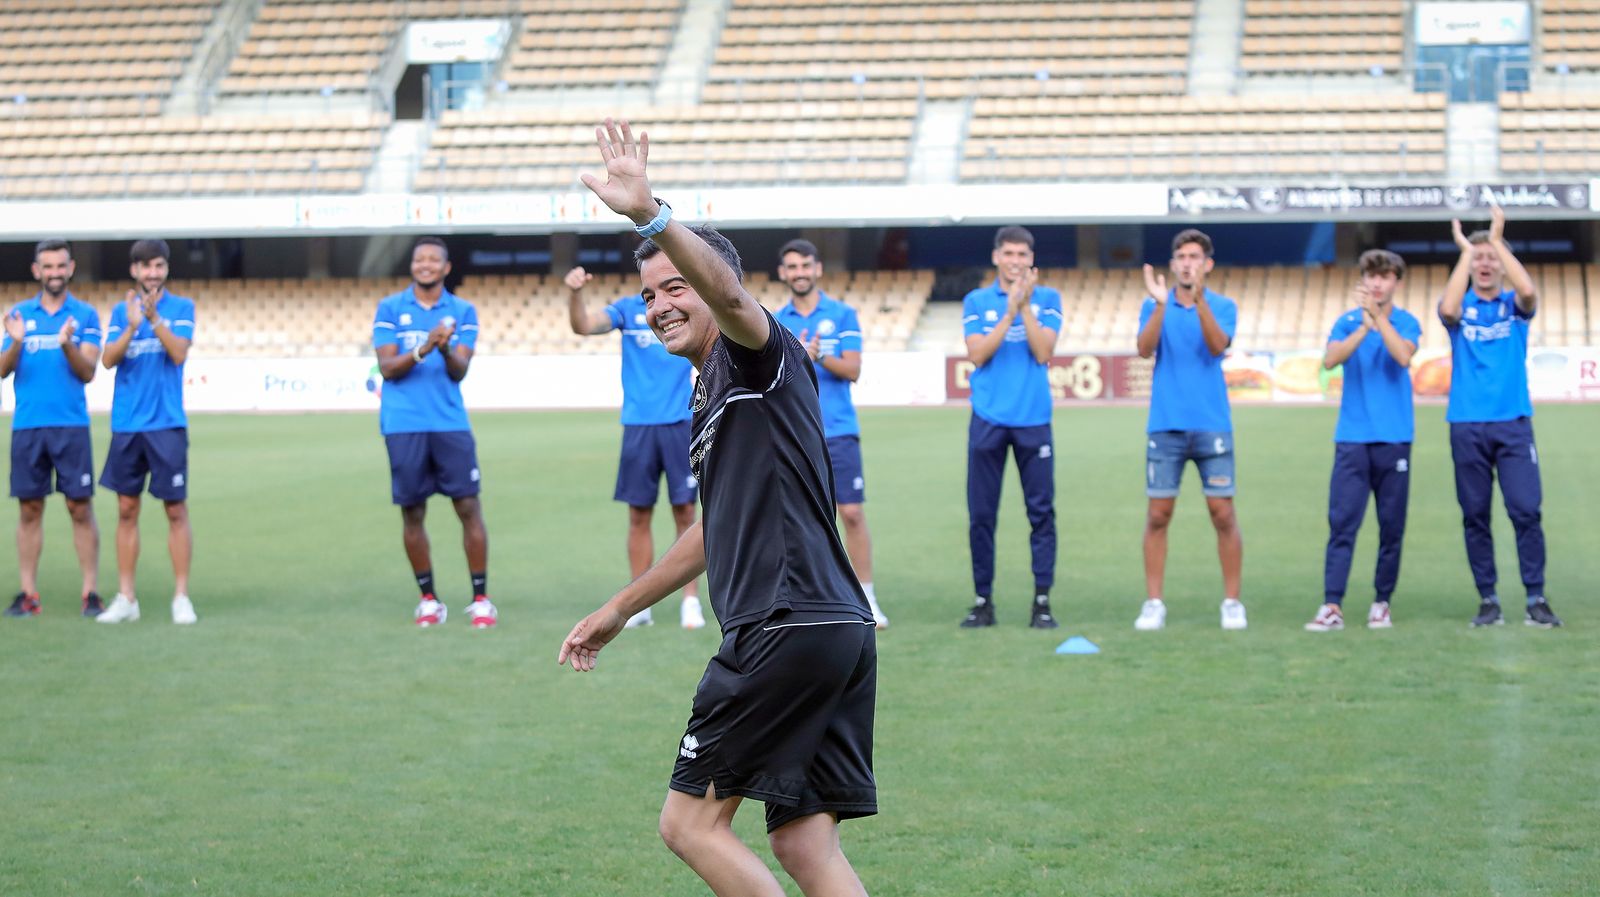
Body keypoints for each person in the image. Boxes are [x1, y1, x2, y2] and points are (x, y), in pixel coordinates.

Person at [559, 120, 876, 897]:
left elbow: (730, 294)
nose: (660, 306)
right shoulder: (708, 391)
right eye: (648, 295)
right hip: (834, 628)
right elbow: (713, 532)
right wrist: (619, 607)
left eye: (676, 287)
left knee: (690, 824)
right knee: (804, 842)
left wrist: (650, 213)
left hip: (782, 624)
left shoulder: (755, 351)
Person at [1439, 206, 1562, 628]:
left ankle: (1535, 598)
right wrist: (1467, 252)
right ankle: (1488, 599)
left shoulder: (1514, 307)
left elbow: (1528, 290)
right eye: (1479, 259)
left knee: (1526, 511)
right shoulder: (1461, 307)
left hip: (1512, 423)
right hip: (1467, 424)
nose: (1485, 263)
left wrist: (1495, 239)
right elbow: (1448, 308)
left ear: (1503, 263)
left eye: (1492, 257)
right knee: (1475, 515)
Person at [565, 265, 705, 630]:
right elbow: (583, 325)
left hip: (680, 422)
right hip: (638, 425)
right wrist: (575, 293)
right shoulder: (628, 310)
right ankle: (640, 605)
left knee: (685, 512)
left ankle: (690, 600)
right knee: (639, 514)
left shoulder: (684, 307)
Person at [371, 237, 497, 629]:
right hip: (403, 424)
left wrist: (443, 348)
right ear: (412, 266)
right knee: (412, 512)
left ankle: (480, 600)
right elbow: (387, 368)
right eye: (418, 259)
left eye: (433, 259)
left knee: (468, 507)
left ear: (446, 268)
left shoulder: (463, 311)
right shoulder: (390, 308)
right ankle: (428, 599)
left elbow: (460, 370)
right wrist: (425, 348)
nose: (424, 264)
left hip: (449, 424)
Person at [1133, 229, 1245, 632]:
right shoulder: (1154, 306)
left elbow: (1217, 346)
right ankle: (1154, 603)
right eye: (1181, 256)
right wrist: (1162, 305)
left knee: (1223, 513)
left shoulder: (1223, 306)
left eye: (1195, 257)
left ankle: (1232, 602)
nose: (1187, 263)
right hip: (1166, 425)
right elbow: (1144, 349)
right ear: (1172, 263)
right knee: (1158, 514)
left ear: (1207, 264)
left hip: (1212, 423)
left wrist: (1198, 302)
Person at [773, 238, 887, 628]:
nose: (800, 273)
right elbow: (772, 381)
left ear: (818, 269)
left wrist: (820, 356)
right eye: (792, 267)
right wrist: (797, 357)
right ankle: (807, 600)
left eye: (806, 265)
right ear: (783, 273)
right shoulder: (775, 320)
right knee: (796, 521)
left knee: (851, 513)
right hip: (793, 434)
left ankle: (867, 597)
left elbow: (853, 370)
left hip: (838, 430)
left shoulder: (842, 314)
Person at [1306, 250, 1420, 632]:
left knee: (1391, 527)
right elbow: (1330, 360)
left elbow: (1402, 356)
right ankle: (1332, 604)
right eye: (1371, 276)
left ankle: (1381, 602)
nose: (1377, 283)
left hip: (1394, 438)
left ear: (1396, 282)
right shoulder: (1347, 322)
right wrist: (1363, 327)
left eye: (1384, 277)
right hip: (1352, 438)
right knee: (1342, 524)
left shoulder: (1406, 322)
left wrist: (1379, 319)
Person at [957, 226, 1062, 629]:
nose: (1016, 261)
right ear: (997, 257)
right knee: (982, 515)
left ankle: (1042, 602)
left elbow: (1043, 351)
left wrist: (1026, 307)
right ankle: (983, 601)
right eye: (1009, 253)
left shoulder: (1048, 299)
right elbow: (978, 354)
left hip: (1033, 420)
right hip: (988, 419)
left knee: (1041, 514)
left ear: (1030, 259)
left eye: (1022, 254)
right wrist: (1009, 312)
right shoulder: (977, 300)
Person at [93, 239, 198, 625]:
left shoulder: (182, 307)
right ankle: (127, 598)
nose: (152, 273)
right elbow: (107, 360)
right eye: (145, 266)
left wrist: (153, 320)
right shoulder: (121, 311)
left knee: (175, 509)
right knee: (126, 509)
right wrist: (133, 325)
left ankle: (181, 597)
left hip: (166, 424)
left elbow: (179, 353)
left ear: (166, 269)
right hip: (127, 425)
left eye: (158, 266)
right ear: (134, 270)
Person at [1, 239, 103, 618]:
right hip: (28, 425)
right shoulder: (19, 314)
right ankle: (28, 594)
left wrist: (67, 345)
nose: (55, 273)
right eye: (48, 267)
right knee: (30, 509)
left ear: (71, 268)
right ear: (36, 271)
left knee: (80, 507)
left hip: (70, 425)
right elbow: (2, 369)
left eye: (61, 266)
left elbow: (88, 372)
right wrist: (15, 342)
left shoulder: (85, 315)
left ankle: (90, 593)